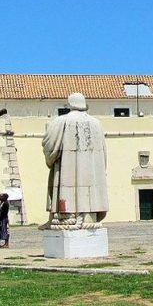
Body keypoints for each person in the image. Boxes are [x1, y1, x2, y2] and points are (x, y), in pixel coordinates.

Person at [41, 92, 109, 229]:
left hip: (66, 169)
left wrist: (50, 158)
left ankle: (60, 218)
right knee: (89, 191)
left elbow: (49, 146)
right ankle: (89, 217)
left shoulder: (61, 121)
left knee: (65, 188)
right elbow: (103, 153)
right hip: (91, 171)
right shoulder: (96, 124)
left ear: (70, 103)